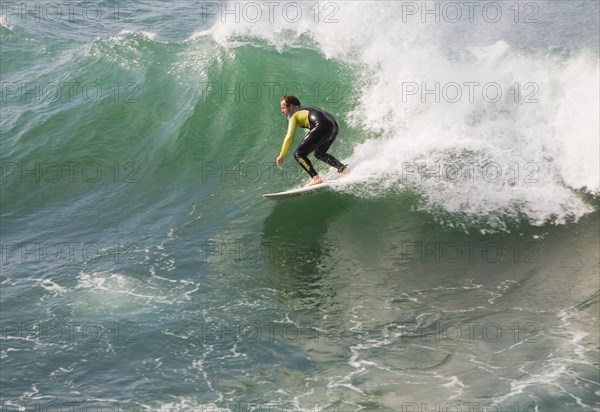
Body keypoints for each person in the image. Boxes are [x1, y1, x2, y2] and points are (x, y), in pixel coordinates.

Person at [276, 94, 349, 186]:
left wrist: (282, 155)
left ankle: (315, 178)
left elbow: (289, 136)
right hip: (334, 126)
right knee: (319, 153)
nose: (282, 111)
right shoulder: (306, 109)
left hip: (321, 125)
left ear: (291, 106)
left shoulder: (292, 113)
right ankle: (344, 169)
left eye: (283, 108)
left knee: (299, 154)